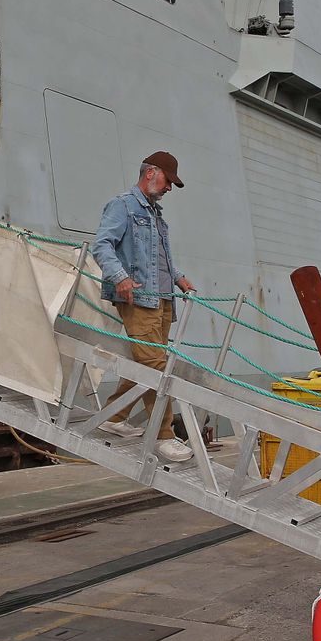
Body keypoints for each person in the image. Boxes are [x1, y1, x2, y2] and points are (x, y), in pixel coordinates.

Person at [91, 151, 196, 463]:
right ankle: (164, 435)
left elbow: (157, 257)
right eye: (167, 181)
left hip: (163, 300)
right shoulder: (122, 205)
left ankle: (113, 416)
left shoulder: (155, 214)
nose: (169, 188)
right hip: (139, 299)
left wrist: (178, 278)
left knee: (145, 362)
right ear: (151, 173)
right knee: (155, 366)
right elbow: (102, 245)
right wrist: (120, 277)